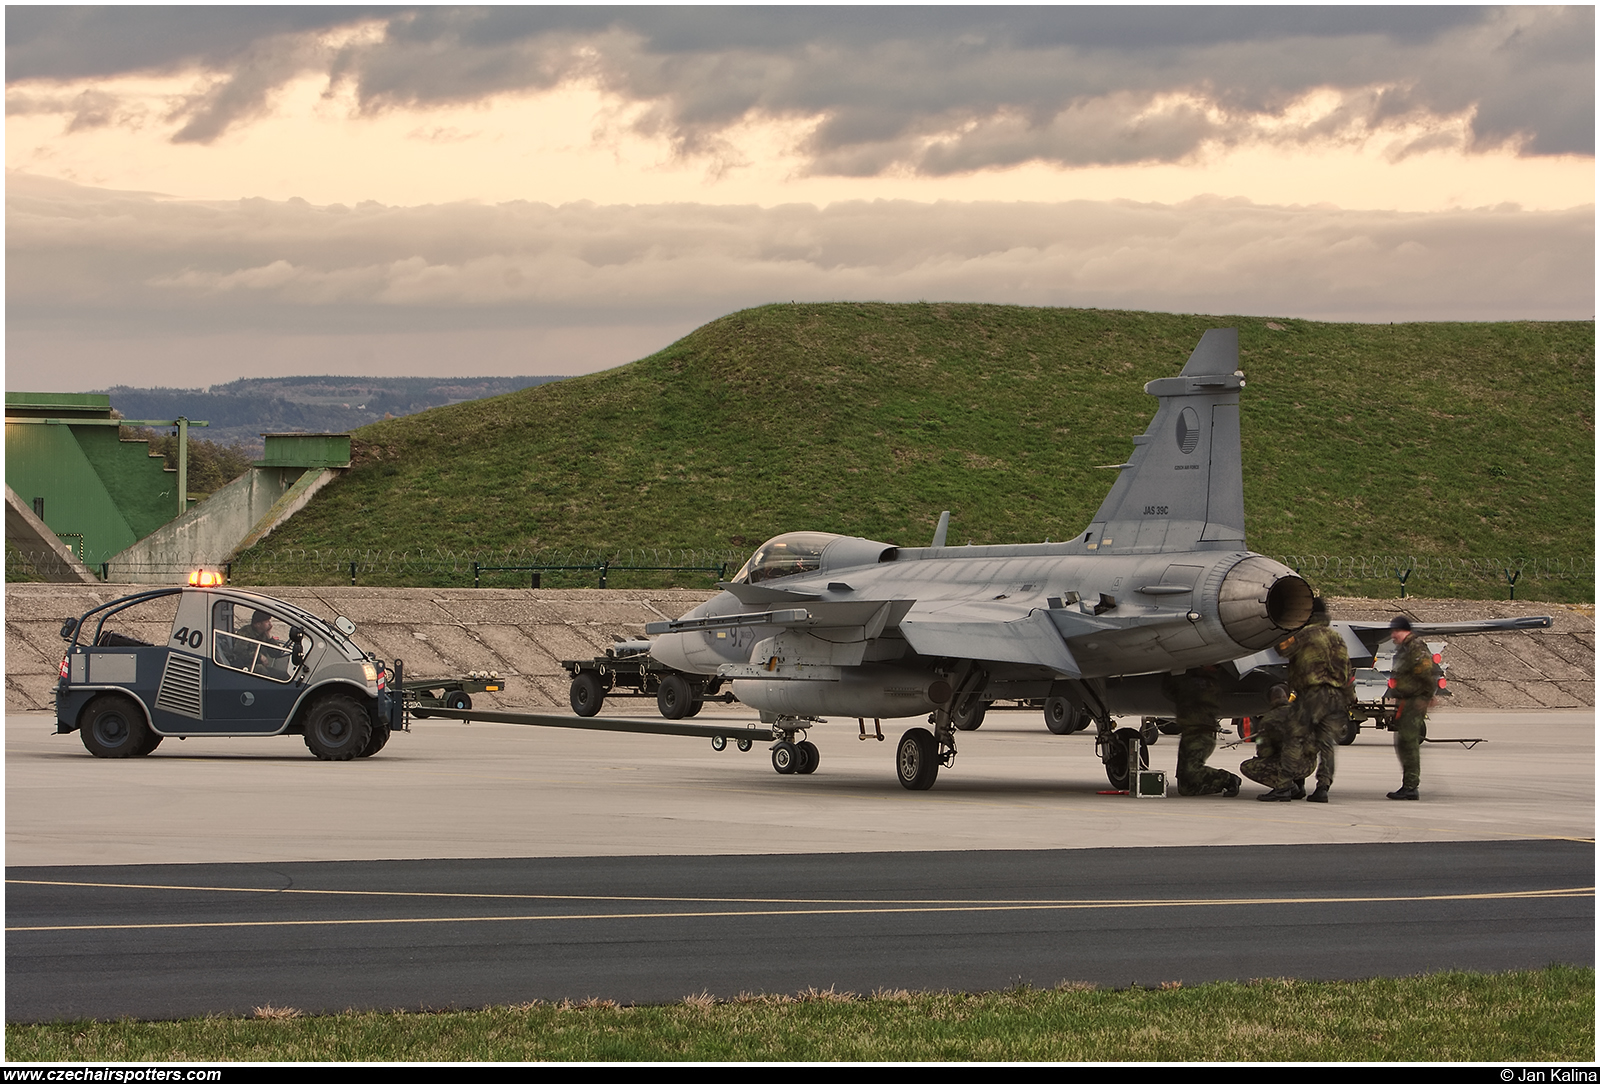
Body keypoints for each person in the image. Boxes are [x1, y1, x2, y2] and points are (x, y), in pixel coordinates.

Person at [1277, 596, 1352, 803]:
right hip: (1335, 696)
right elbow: (1347, 669)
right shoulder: (1337, 638)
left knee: (1294, 737)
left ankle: (1284, 786)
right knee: (1327, 744)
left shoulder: (1304, 635)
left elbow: (1283, 649)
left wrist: (1283, 628)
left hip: (1311, 694)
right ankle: (1323, 787)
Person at [1160, 665, 1241, 797]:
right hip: (1189, 733)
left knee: (1191, 770)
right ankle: (1218, 784)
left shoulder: (1207, 685)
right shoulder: (1197, 682)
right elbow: (1170, 690)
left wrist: (1175, 668)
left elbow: (1174, 690)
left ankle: (1228, 779)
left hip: (1201, 733)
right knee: (1185, 787)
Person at [1384, 616, 1434, 801]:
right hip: (1408, 699)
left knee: (1408, 742)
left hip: (1415, 700)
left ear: (1402, 630)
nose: (1392, 635)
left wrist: (1427, 697)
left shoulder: (1416, 647)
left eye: (1394, 631)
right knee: (1404, 742)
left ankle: (1411, 786)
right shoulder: (1406, 648)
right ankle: (1409, 784)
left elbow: (1426, 672)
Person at [1240, 684, 1316, 801]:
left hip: (1289, 767)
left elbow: (1265, 752)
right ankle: (1299, 787)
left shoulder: (1269, 720)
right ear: (1286, 697)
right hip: (1309, 765)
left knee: (1247, 766)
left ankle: (1285, 788)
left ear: (1271, 700)